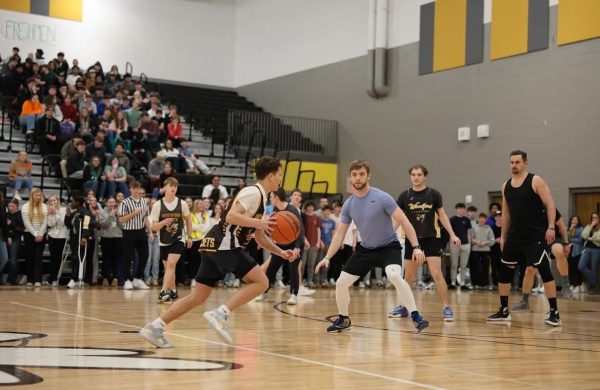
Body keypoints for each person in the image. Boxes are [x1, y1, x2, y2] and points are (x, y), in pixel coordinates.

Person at [140, 157, 294, 347]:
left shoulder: (260, 198)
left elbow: (261, 237)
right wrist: (258, 222)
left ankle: (154, 327)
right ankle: (220, 313)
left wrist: (280, 252)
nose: (280, 179)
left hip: (214, 244)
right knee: (262, 282)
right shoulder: (253, 193)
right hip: (225, 244)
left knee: (198, 296)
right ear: (270, 176)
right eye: (279, 175)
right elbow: (230, 216)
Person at [315, 160, 430, 333]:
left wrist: (416, 247)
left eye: (361, 174)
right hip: (365, 249)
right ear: (350, 178)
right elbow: (339, 234)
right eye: (354, 175)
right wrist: (326, 257)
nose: (358, 178)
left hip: (388, 247)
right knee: (340, 283)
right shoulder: (348, 205)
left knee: (395, 276)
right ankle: (343, 319)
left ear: (368, 176)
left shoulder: (382, 197)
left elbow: (405, 221)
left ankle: (415, 315)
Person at [487, 150, 562, 326]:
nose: (514, 165)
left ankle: (554, 312)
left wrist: (551, 227)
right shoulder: (506, 185)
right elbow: (506, 213)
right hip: (515, 236)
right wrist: (503, 236)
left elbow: (550, 204)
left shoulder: (535, 181)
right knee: (505, 272)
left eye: (517, 162)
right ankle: (504, 310)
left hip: (535, 236)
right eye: (511, 162)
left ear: (525, 163)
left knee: (544, 271)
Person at [389, 164, 461, 321]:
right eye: (413, 174)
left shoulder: (433, 194)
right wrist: (388, 234)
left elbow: (442, 215)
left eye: (419, 174)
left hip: (431, 240)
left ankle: (447, 307)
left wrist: (453, 234)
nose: (416, 177)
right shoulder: (404, 195)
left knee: (437, 274)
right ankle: (403, 306)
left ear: (425, 176)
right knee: (408, 276)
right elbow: (398, 218)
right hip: (411, 240)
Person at [512, 209, 572, 311]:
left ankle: (566, 285)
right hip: (536, 241)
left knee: (558, 250)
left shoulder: (549, 208)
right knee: (530, 270)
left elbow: (561, 226)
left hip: (552, 238)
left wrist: (566, 243)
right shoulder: (527, 209)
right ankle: (524, 301)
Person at [256, 188, 304, 305]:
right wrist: (262, 238)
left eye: (271, 196)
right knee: (271, 269)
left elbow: (301, 229)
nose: (270, 199)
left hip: (293, 246)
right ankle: (264, 292)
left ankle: (293, 295)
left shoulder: (292, 209)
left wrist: (297, 247)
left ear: (277, 197)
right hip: (280, 246)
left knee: (293, 270)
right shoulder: (275, 209)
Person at [149, 177, 194, 303]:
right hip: (163, 240)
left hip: (178, 239)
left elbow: (189, 221)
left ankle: (164, 291)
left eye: (175, 186)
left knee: (171, 264)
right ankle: (173, 292)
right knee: (170, 269)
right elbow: (153, 227)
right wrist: (163, 222)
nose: (173, 188)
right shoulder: (157, 205)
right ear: (165, 188)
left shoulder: (182, 204)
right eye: (171, 186)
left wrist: (189, 236)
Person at [118, 181, 153, 290]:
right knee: (127, 257)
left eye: (138, 188)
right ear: (130, 189)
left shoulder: (143, 201)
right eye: (134, 188)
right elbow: (122, 219)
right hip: (129, 232)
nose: (136, 190)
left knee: (145, 255)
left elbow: (146, 218)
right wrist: (134, 213)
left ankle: (137, 278)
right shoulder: (124, 202)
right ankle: (127, 280)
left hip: (141, 231)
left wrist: (150, 231)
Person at [21, 188, 48, 287]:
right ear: (32, 196)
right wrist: (36, 234)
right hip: (29, 234)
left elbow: (45, 222)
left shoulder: (44, 206)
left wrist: (40, 234)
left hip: (41, 234)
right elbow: (26, 223)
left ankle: (38, 280)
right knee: (30, 257)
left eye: (39, 195)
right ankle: (29, 279)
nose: (38, 197)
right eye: (36, 195)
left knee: (38, 257)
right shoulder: (25, 206)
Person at [99, 197, 123, 287]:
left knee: (116, 259)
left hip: (118, 238)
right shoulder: (102, 212)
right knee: (106, 259)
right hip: (106, 238)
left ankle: (115, 278)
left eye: (113, 202)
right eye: (110, 202)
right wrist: (110, 216)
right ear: (106, 203)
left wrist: (117, 216)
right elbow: (103, 225)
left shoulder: (120, 212)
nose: (112, 204)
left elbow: (122, 226)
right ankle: (105, 278)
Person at [449, 203, 473, 288]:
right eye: (459, 208)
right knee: (454, 264)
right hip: (454, 245)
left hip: (465, 244)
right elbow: (450, 233)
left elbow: (469, 233)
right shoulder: (452, 219)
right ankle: (453, 282)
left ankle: (463, 283)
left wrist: (469, 244)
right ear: (456, 209)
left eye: (462, 208)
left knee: (463, 265)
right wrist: (451, 243)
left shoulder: (466, 220)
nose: (461, 210)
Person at [46, 195, 68, 287]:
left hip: (62, 236)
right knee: (53, 258)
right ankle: (53, 278)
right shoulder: (50, 211)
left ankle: (58, 277)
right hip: (52, 235)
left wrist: (56, 213)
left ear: (58, 201)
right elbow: (50, 224)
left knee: (59, 258)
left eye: (54, 200)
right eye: (50, 201)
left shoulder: (65, 209)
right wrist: (52, 214)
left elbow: (63, 222)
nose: (52, 202)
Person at [470, 213, 496, 288]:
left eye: (484, 218)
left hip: (486, 250)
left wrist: (485, 243)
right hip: (475, 250)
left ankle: (485, 283)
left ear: (486, 219)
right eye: (480, 218)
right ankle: (475, 283)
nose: (482, 220)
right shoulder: (474, 228)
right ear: (478, 219)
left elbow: (492, 240)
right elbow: (471, 239)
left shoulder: (488, 228)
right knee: (475, 267)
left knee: (485, 267)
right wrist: (476, 242)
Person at [578, 212, 600, 294]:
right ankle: (596, 281)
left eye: (596, 217)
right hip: (587, 249)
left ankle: (593, 288)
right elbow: (583, 236)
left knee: (594, 268)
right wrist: (591, 226)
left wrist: (589, 238)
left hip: (597, 249)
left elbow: (598, 238)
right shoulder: (588, 226)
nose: (594, 219)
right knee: (581, 266)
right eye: (593, 218)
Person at [5, 198, 25, 285]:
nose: (11, 208)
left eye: (13, 206)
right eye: (9, 206)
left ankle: (12, 279)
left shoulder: (20, 215)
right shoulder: (5, 214)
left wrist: (11, 223)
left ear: (17, 206)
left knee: (13, 259)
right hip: (6, 238)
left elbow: (22, 229)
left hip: (16, 239)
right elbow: (5, 229)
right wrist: (8, 237)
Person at [567, 216, 584, 292]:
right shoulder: (570, 229)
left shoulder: (581, 229)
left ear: (578, 221)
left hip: (578, 251)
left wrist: (571, 240)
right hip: (570, 251)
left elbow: (580, 240)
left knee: (577, 268)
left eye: (576, 219)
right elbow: (566, 238)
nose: (574, 221)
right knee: (571, 268)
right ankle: (572, 284)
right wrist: (570, 229)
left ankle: (578, 285)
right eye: (573, 219)